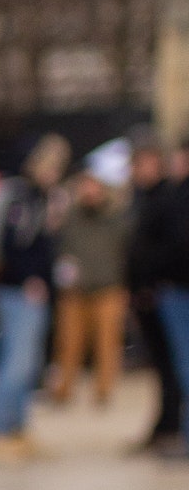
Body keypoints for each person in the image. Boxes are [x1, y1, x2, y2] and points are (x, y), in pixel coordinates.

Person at [0, 134, 68, 461]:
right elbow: (12, 248)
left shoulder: (41, 197)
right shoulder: (20, 198)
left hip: (33, 292)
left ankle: (18, 427)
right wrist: (27, 279)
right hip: (16, 292)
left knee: (28, 364)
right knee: (14, 362)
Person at [49, 166, 131, 407]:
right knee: (68, 343)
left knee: (107, 344)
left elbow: (124, 253)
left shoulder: (115, 218)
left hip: (108, 288)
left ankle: (103, 392)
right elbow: (58, 249)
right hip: (75, 290)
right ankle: (63, 390)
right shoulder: (70, 218)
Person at [128, 140, 186, 453]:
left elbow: (169, 247)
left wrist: (154, 280)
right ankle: (166, 424)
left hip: (166, 291)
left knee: (175, 365)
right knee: (165, 364)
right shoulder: (147, 198)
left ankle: (172, 427)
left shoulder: (169, 198)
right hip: (153, 292)